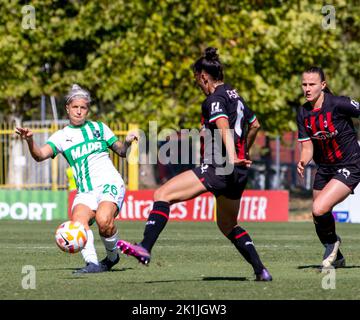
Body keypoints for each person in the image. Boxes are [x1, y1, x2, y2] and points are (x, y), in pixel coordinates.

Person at [118, 47, 272, 281]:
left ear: (203, 77)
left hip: (219, 167)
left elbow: (222, 125)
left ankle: (145, 247)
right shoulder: (234, 94)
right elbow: (256, 124)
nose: (197, 84)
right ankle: (261, 270)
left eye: (196, 80)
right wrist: (244, 151)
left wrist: (230, 155)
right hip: (238, 172)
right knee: (228, 225)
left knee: (162, 194)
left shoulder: (215, 99)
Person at [15, 84, 138, 273]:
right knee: (78, 222)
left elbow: (121, 152)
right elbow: (39, 156)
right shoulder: (61, 136)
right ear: (68, 108)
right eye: (75, 107)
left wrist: (127, 142)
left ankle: (112, 257)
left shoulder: (99, 128)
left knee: (104, 221)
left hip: (109, 183)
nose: (79, 111)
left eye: (83, 108)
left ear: (87, 110)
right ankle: (92, 264)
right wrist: (30, 140)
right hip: (85, 192)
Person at [296, 66, 360, 268]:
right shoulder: (303, 113)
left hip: (350, 163)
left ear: (322, 85)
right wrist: (303, 160)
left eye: (312, 84)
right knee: (318, 216)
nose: (307, 88)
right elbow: (307, 147)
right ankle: (338, 258)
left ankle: (332, 243)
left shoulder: (339, 104)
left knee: (319, 207)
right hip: (324, 168)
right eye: (304, 84)